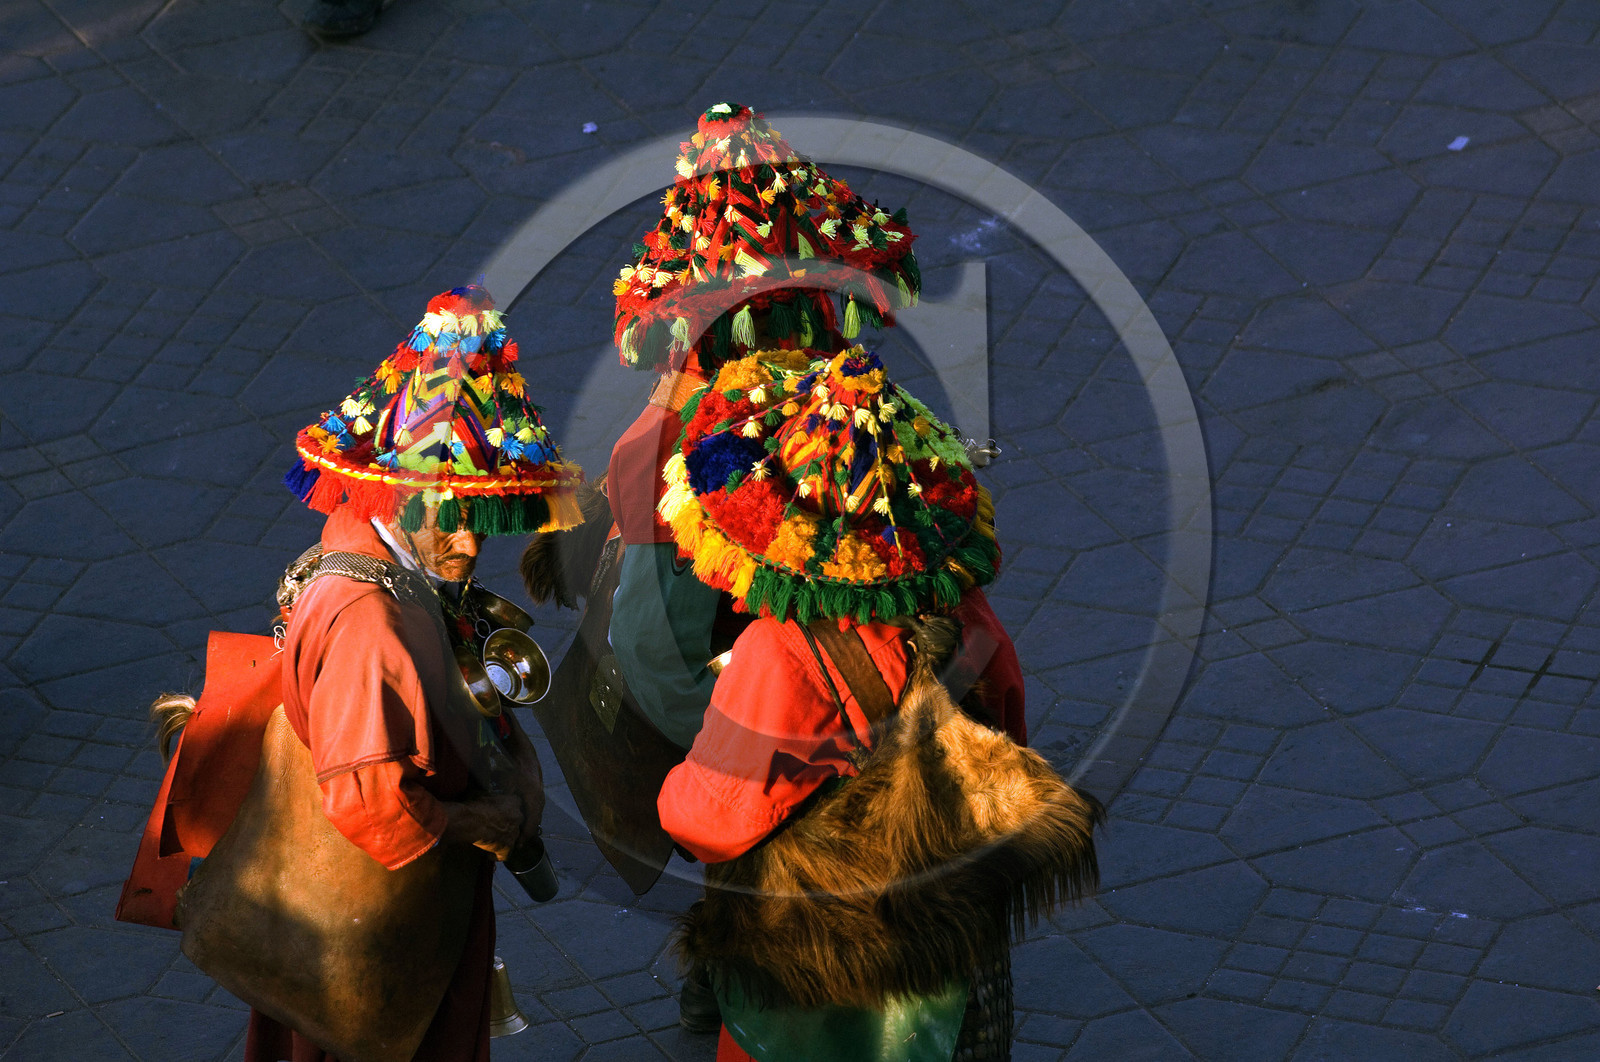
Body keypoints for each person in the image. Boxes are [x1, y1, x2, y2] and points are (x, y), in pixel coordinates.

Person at [654, 346, 1097, 1061]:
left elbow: (717, 816)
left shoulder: (778, 652)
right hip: (944, 934)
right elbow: (1007, 713)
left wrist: (671, 789)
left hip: (825, 955)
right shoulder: (967, 612)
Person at [601, 102, 925, 1035]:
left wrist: (722, 753)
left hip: (780, 739)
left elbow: (648, 653)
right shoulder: (875, 425)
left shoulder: (667, 440)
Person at [251, 284, 585, 1061]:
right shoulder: (369, 623)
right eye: (453, 516)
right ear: (401, 498)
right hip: (373, 927)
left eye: (482, 519)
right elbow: (366, 803)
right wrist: (482, 824)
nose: (470, 545)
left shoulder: (376, 549)